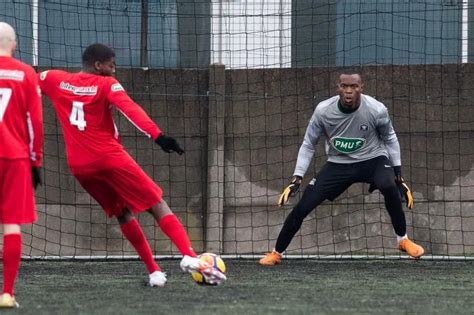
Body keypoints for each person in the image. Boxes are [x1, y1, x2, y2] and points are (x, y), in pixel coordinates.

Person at [38, 43, 225, 286]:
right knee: (157, 203)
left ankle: (154, 273)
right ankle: (189, 256)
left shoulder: (55, 79)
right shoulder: (106, 84)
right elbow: (130, 109)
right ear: (98, 65)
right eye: (111, 66)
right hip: (108, 157)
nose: (114, 71)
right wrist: (159, 136)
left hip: (80, 167)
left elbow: (26, 81)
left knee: (122, 213)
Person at [259, 72, 424, 265]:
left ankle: (402, 240)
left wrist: (399, 176)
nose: (348, 91)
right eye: (344, 86)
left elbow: (390, 139)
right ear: (338, 88)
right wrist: (296, 179)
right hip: (338, 163)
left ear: (361, 88)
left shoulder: (376, 110)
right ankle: (276, 253)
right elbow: (308, 144)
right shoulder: (323, 111)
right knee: (303, 206)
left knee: (388, 185)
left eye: (353, 86)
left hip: (373, 159)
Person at [0, 22, 43, 307]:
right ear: (14, 44)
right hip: (13, 157)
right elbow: (35, 122)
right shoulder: (27, 73)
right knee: (11, 224)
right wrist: (35, 160)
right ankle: (7, 293)